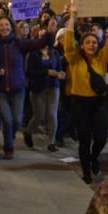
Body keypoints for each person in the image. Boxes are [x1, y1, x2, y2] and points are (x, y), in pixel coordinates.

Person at [64, 5, 108, 183]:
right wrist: (72, 17)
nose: (91, 45)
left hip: (98, 103)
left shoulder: (102, 58)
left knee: (102, 137)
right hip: (79, 103)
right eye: (87, 42)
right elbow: (68, 42)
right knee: (84, 140)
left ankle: (94, 157)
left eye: (94, 42)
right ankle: (86, 171)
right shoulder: (74, 59)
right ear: (82, 45)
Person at [0, 13, 54, 159]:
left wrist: (50, 32)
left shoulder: (19, 43)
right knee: (7, 120)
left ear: (11, 27)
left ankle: (10, 136)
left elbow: (38, 44)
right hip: (0, 88)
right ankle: (8, 146)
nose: (4, 27)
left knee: (17, 121)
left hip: (18, 88)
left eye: (6, 24)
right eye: (1, 25)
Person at [24, 21, 66, 152]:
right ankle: (28, 131)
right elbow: (29, 72)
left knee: (52, 114)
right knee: (39, 116)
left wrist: (61, 73)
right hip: (38, 87)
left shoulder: (54, 53)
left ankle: (51, 142)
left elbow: (59, 67)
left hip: (53, 86)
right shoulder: (33, 53)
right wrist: (46, 72)